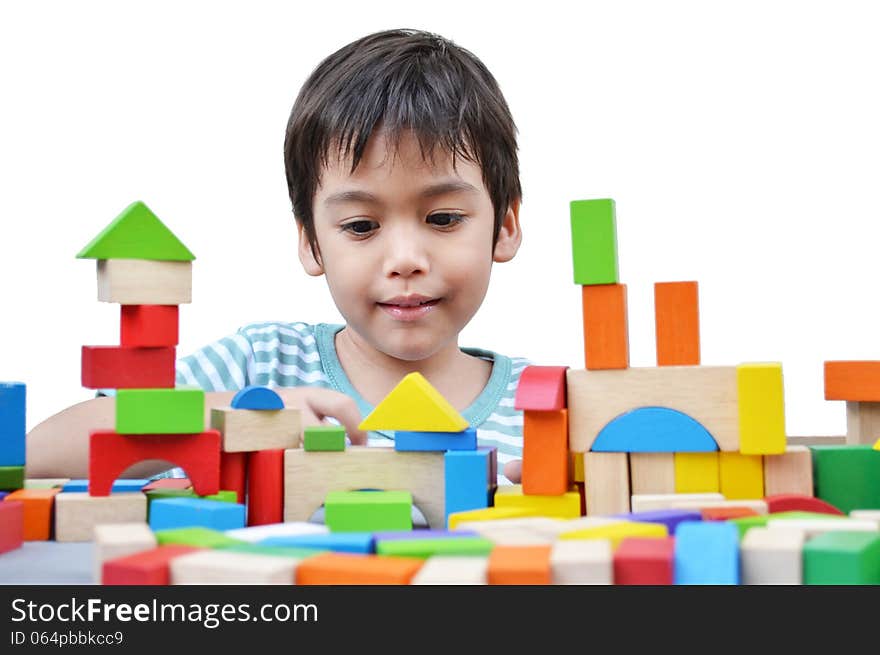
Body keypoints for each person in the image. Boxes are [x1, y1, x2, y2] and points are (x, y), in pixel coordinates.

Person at [26, 28, 530, 484]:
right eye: (361, 226)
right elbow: (37, 454)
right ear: (311, 243)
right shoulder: (259, 366)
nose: (404, 259)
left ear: (504, 226)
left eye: (442, 219)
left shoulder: (548, 404)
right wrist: (245, 416)